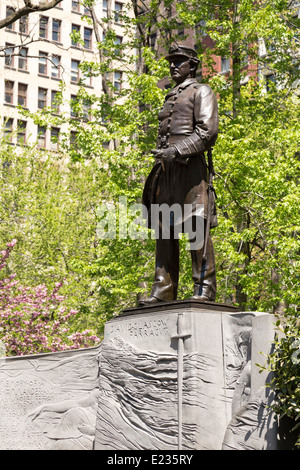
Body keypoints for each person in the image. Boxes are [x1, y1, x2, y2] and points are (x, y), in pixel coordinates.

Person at [140, 44, 219, 305]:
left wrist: (177, 150)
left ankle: (204, 287)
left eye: (179, 61)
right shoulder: (169, 96)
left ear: (192, 66)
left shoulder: (201, 91)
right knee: (164, 229)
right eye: (171, 61)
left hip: (190, 169)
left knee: (196, 225)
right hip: (166, 171)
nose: (173, 65)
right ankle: (163, 289)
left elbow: (207, 132)